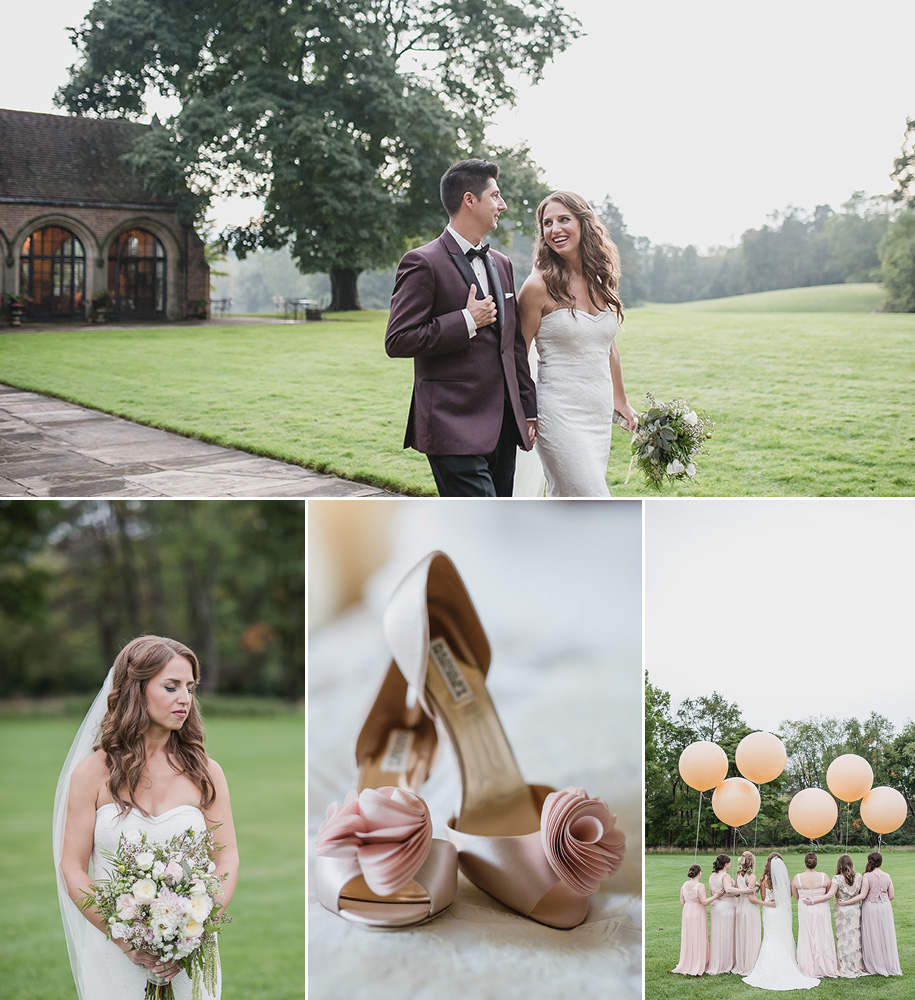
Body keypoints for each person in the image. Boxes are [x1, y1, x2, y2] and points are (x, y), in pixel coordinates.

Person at [55, 636, 239, 999]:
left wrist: (194, 926)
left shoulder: (206, 772)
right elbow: (73, 867)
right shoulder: (91, 774)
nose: (185, 698)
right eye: (171, 687)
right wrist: (125, 939)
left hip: (188, 951)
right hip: (114, 951)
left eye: (190, 687)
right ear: (135, 690)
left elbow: (226, 858)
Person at [385, 158, 537, 496]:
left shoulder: (502, 263)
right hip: (451, 424)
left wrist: (527, 409)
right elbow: (398, 340)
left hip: (502, 426)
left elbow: (512, 345)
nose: (503, 205)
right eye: (495, 195)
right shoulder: (422, 262)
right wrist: (467, 320)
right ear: (470, 199)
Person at [517, 191, 638, 497]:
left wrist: (620, 400)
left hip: (597, 413)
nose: (554, 229)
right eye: (547, 223)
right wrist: (526, 412)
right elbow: (517, 353)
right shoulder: (537, 287)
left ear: (584, 224)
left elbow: (609, 347)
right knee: (592, 499)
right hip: (557, 412)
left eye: (563, 219)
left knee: (570, 504)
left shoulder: (602, 279)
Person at [742, 852, 819, 990]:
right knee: (781, 937)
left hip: (769, 911)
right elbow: (788, 894)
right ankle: (786, 964)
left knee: (769, 937)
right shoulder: (785, 877)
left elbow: (764, 896)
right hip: (781, 910)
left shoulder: (764, 878)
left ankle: (768, 966)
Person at [838, 851, 901, 976]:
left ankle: (874, 964)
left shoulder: (867, 876)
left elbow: (863, 895)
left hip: (871, 907)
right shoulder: (887, 876)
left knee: (872, 935)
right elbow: (892, 896)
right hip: (885, 907)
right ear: (881, 862)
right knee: (885, 935)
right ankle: (888, 963)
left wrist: (846, 902)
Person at [802, 854, 866, 978]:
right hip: (855, 911)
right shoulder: (859, 877)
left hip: (842, 912)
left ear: (839, 865)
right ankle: (856, 965)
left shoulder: (837, 879)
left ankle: (844, 966)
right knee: (855, 938)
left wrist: (814, 900)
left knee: (843, 939)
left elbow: (829, 895)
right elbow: (861, 895)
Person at [791, 852, 838, 977]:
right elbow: (827, 893)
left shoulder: (797, 878)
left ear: (805, 863)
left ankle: (807, 965)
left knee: (807, 934)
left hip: (805, 908)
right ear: (816, 863)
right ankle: (824, 965)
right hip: (821, 908)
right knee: (822, 934)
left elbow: (796, 895)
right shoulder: (824, 877)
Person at [670, 864, 721, 975]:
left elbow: (682, 901)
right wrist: (717, 895)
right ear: (699, 873)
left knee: (689, 937)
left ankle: (687, 961)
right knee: (698, 936)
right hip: (697, 912)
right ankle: (698, 962)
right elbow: (704, 902)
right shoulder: (700, 886)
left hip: (687, 911)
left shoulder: (684, 884)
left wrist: (689, 907)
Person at [706, 854, 738, 973]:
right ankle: (726, 963)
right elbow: (729, 890)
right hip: (726, 907)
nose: (730, 865)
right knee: (727, 934)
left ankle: (717, 961)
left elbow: (711, 892)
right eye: (729, 863)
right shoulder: (725, 876)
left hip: (715, 906)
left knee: (717, 934)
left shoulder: (712, 876)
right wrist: (745, 891)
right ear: (726, 864)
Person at [734, 850, 762, 975]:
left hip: (740, 905)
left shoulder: (738, 875)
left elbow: (736, 891)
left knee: (743, 934)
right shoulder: (752, 877)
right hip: (750, 907)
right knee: (751, 934)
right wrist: (766, 903)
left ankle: (742, 963)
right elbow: (751, 896)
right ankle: (751, 964)